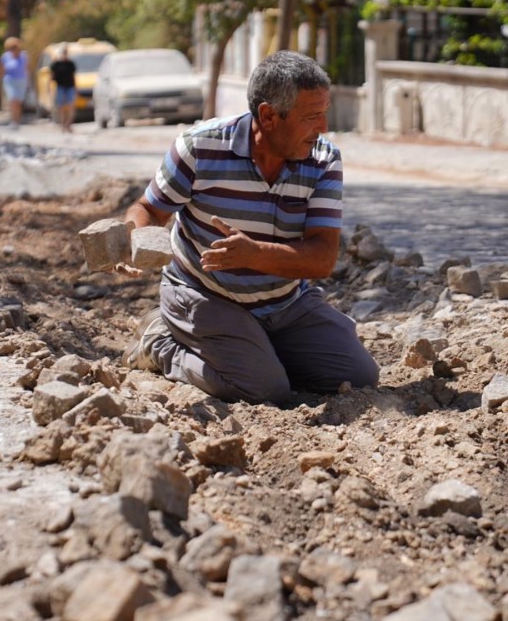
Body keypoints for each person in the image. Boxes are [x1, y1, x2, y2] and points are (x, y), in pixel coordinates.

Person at [120, 50, 379, 407]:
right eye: (311, 116)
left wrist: (254, 254)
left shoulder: (323, 159)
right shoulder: (200, 147)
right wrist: (135, 240)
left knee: (359, 376)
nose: (322, 127)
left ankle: (255, 351)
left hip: (285, 303)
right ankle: (159, 342)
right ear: (269, 116)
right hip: (206, 296)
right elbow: (147, 209)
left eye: (324, 113)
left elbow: (322, 259)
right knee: (263, 390)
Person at [0, 37, 28, 130]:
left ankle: (17, 121)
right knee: (13, 100)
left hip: (21, 81)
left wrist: (29, 83)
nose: (14, 49)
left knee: (18, 102)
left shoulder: (24, 56)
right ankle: (13, 121)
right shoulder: (5, 57)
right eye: (11, 48)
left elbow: (26, 70)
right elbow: (1, 71)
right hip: (10, 81)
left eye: (15, 47)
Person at [49, 45, 77, 133]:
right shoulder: (56, 64)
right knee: (60, 106)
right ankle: (62, 124)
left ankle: (68, 124)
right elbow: (51, 76)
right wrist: (48, 87)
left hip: (70, 87)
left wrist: (76, 88)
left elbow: (73, 77)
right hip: (60, 87)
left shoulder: (70, 64)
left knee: (70, 106)